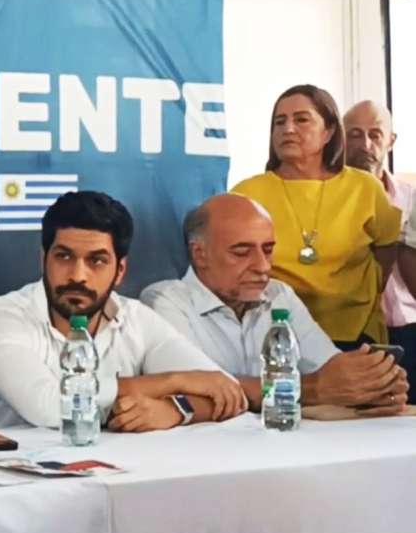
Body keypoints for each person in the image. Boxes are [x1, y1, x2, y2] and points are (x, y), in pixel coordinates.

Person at [0, 191, 246, 432]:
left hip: (124, 471)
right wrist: (175, 381)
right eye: (64, 257)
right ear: (44, 259)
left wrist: (176, 410)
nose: (78, 276)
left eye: (97, 261)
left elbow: (225, 392)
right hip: (13, 476)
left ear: (120, 270)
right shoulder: (2, 317)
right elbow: (51, 408)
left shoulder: (135, 317)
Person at [142, 194, 407, 413]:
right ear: (200, 254)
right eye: (242, 252)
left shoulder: (279, 294)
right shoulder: (165, 301)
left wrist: (371, 383)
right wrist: (312, 389)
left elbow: (328, 368)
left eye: (268, 250)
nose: (262, 266)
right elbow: (200, 390)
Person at [231, 85, 400, 350]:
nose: (288, 129)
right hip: (274, 333)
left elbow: (386, 254)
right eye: (279, 122)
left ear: (329, 132)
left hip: (356, 334)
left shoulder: (365, 188)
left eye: (301, 120)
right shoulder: (247, 193)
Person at [344, 100, 416, 402]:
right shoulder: (332, 200)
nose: (365, 144)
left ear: (391, 140)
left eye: (375, 134)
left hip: (409, 328)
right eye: (355, 134)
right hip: (353, 335)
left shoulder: (411, 198)